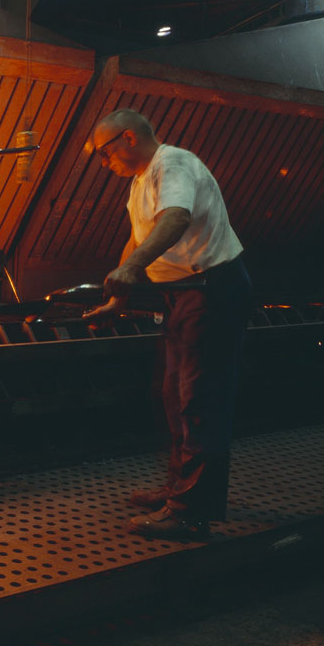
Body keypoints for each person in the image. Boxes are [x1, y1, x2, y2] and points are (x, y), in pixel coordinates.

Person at [86, 109, 250, 540]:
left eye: (104, 153)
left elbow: (174, 219)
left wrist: (133, 270)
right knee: (174, 395)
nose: (104, 164)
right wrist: (118, 299)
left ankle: (190, 513)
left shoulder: (172, 163)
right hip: (183, 294)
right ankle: (180, 489)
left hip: (211, 290)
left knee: (199, 401)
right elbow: (138, 239)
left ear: (128, 138)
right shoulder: (141, 180)